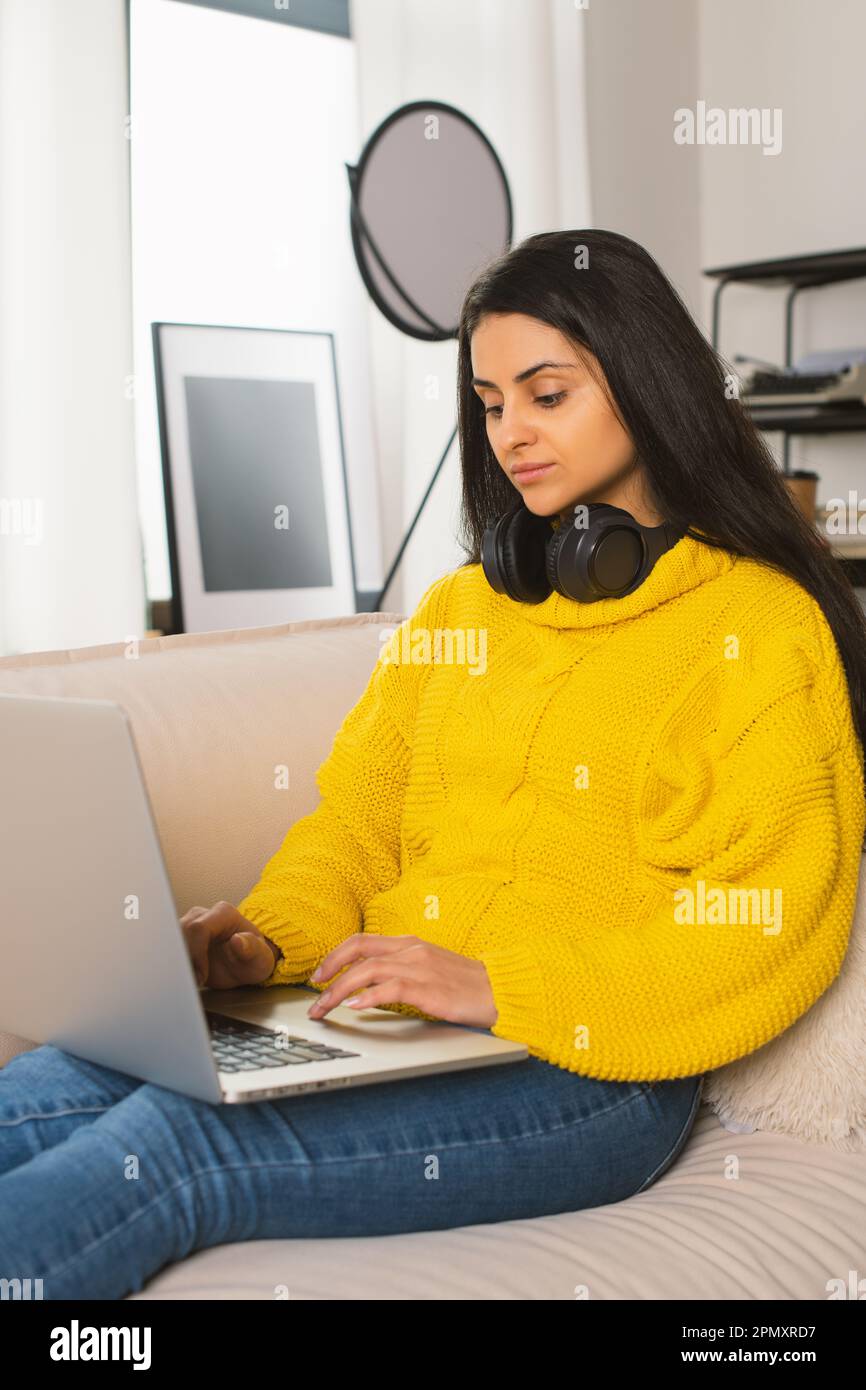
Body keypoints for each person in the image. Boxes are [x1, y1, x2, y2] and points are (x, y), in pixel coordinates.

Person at [2, 229, 864, 1300]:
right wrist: (266, 940)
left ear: (644, 383)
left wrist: (501, 985)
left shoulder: (759, 629)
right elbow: (351, 824)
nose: (510, 434)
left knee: (182, 1144)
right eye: (491, 402)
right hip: (397, 1029)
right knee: (33, 1089)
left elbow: (768, 922)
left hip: (586, 1073)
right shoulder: (462, 609)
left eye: (546, 395)